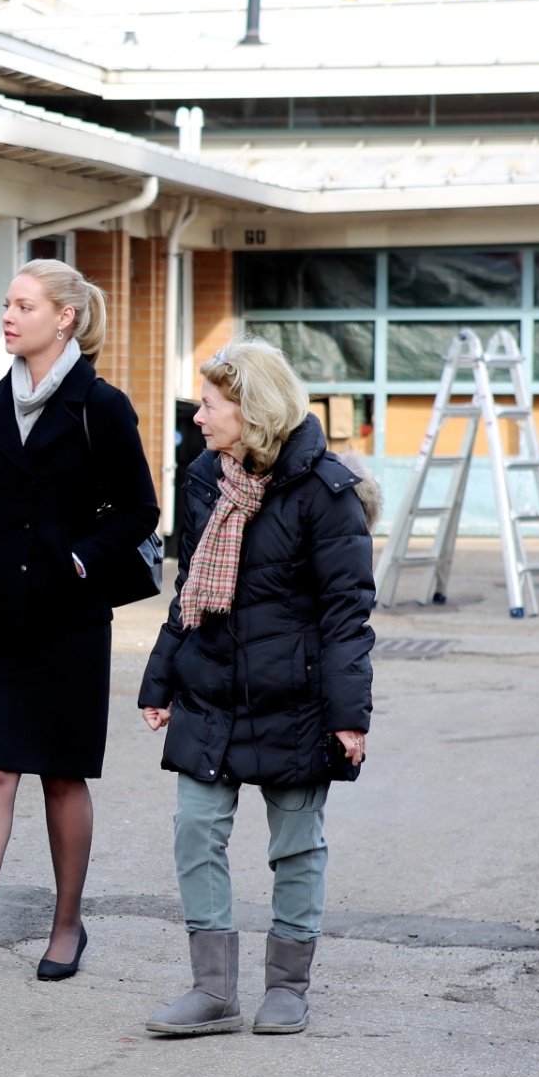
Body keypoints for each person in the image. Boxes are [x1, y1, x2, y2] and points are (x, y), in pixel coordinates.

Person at [0, 259, 159, 988]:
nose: (7, 315)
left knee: (61, 775)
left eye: (22, 305)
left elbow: (139, 511)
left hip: (68, 617)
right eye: (5, 303)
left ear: (64, 317)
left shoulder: (103, 406)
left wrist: (81, 561)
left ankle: (67, 924)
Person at [138, 338, 376, 1036]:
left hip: (295, 701)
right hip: (211, 688)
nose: (199, 418)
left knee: (296, 845)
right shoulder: (204, 477)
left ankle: (287, 986)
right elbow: (189, 590)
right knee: (194, 830)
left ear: (252, 409)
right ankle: (213, 989)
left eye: (210, 405)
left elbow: (346, 614)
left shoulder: (326, 492)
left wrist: (348, 715)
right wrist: (161, 678)